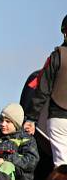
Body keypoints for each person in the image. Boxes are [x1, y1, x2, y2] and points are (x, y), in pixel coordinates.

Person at [25, 15, 67, 167]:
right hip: (59, 119)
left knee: (62, 167)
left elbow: (43, 89)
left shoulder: (57, 56)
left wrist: (31, 118)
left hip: (59, 118)